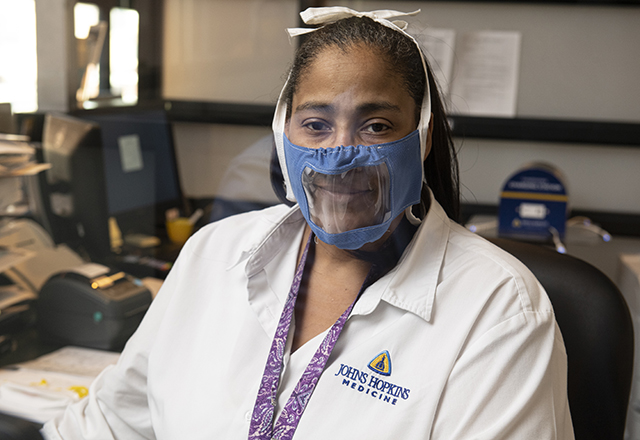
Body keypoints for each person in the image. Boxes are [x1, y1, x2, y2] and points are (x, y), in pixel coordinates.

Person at [42, 7, 574, 440]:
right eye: (316, 125)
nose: (341, 153)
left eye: (376, 125)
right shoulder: (213, 254)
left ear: (424, 136)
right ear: (283, 136)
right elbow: (109, 423)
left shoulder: (500, 310)